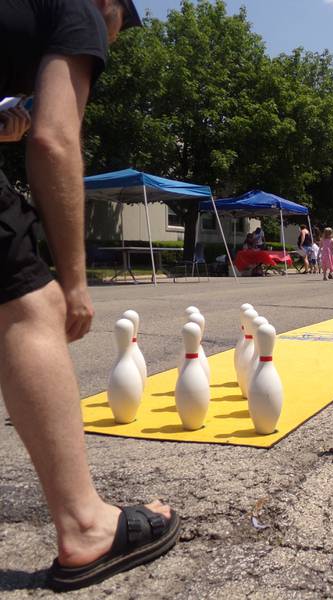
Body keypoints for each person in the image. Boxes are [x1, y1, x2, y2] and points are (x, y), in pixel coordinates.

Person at [0, 0, 178, 592]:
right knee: (33, 305)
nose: (109, 46)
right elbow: (54, 140)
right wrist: (74, 282)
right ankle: (85, 526)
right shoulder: (80, 8)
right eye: (118, 30)